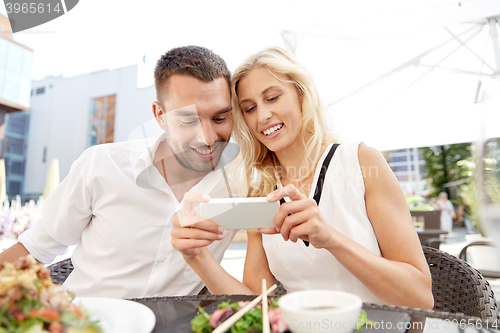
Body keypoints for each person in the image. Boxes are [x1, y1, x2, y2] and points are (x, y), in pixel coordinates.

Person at [171, 46, 434, 310]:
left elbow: (420, 298)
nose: (262, 116)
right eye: (249, 108)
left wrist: (330, 238)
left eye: (272, 98)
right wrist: (198, 258)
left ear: (300, 94)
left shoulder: (361, 162)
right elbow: (254, 304)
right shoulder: (261, 192)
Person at [0, 46, 238, 299]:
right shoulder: (101, 165)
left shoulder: (242, 184)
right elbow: (35, 248)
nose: (208, 138)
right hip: (82, 321)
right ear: (160, 115)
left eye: (220, 119)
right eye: (188, 121)